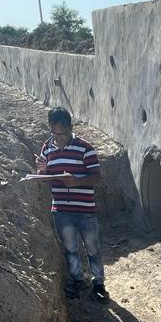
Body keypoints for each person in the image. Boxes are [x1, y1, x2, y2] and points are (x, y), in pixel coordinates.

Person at [35, 107, 108, 301]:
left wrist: (76, 181)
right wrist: (41, 170)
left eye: (62, 134)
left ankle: (99, 284)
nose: (58, 138)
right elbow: (44, 176)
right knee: (70, 249)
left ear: (70, 128)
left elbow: (97, 177)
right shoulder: (47, 147)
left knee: (92, 249)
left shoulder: (85, 148)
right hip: (61, 209)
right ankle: (78, 280)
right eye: (54, 133)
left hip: (85, 209)